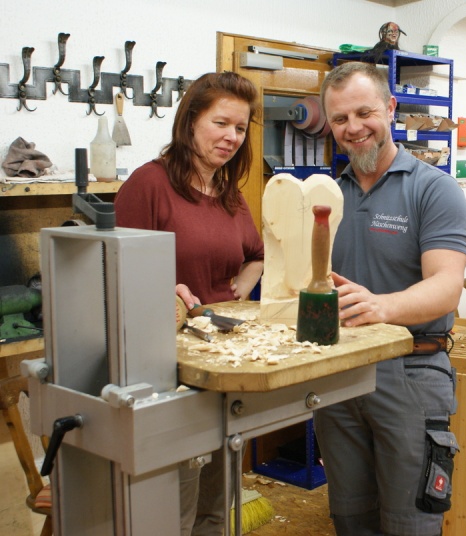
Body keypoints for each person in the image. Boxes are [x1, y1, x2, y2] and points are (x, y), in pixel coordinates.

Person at [315, 61, 466, 536]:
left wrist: (382, 307)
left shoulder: (434, 190)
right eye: (340, 119)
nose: (353, 128)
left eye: (364, 113)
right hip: (339, 375)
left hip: (410, 373)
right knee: (351, 518)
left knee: (410, 524)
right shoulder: (329, 196)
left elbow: (447, 286)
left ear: (390, 108)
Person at [114, 71, 265, 535]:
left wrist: (241, 287)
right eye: (221, 123)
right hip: (168, 373)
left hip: (223, 363)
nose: (231, 137)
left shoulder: (229, 194)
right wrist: (163, 291)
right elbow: (115, 270)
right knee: (173, 506)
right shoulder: (149, 184)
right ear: (190, 121)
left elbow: (257, 254)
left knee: (219, 500)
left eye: (240, 128)